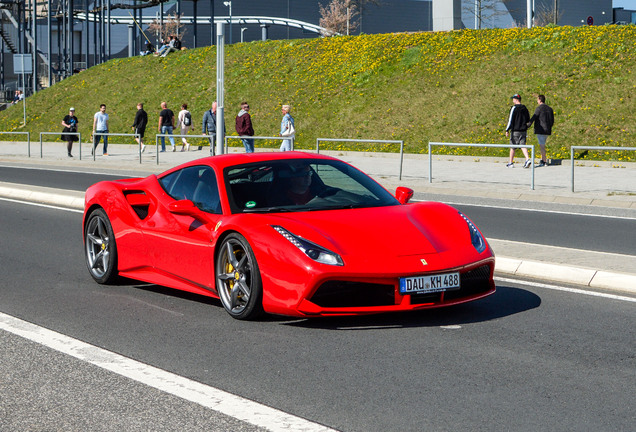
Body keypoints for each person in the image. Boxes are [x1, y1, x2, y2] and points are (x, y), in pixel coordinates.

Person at [528, 94, 555, 167]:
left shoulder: (539, 108)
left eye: (537, 99)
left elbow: (534, 117)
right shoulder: (550, 109)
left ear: (540, 100)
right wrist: (549, 126)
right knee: (543, 144)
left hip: (540, 129)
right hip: (547, 130)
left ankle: (544, 161)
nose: (537, 101)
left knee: (542, 146)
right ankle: (542, 159)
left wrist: (528, 124)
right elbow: (552, 120)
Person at [505, 94, 531, 168]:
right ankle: (527, 159)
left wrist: (507, 129)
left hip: (515, 130)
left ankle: (510, 162)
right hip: (523, 130)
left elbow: (510, 120)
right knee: (523, 145)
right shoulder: (524, 108)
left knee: (513, 146)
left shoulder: (514, 108)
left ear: (516, 100)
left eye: (513, 99)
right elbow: (528, 119)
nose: (512, 100)